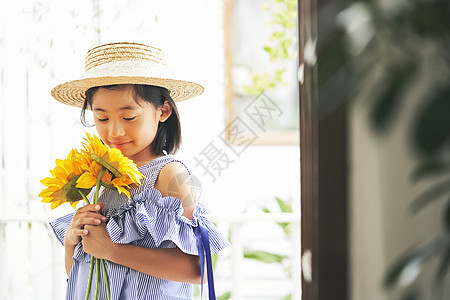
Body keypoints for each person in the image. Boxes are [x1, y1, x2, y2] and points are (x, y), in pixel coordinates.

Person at [49, 42, 229, 300]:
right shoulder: (102, 177)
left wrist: (112, 250)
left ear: (163, 110)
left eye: (129, 117)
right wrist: (72, 242)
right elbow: (81, 277)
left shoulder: (170, 175)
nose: (114, 132)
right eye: (102, 118)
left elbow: (198, 269)